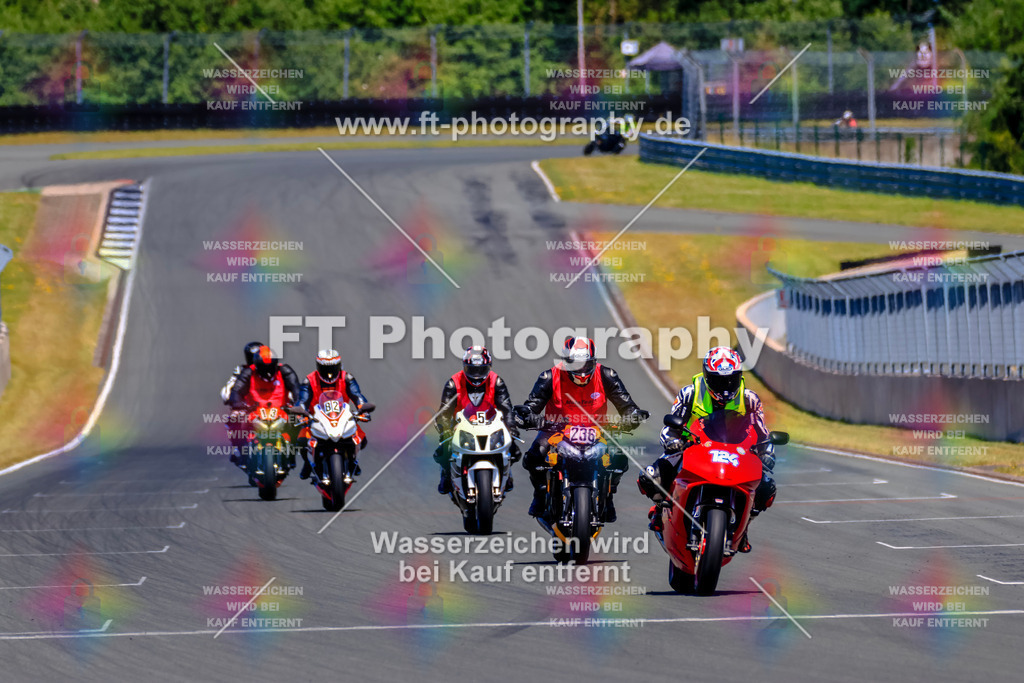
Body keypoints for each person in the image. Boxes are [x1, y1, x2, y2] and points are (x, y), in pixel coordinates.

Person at [637, 346, 776, 552]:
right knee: (651, 477)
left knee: (767, 488)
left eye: (731, 380)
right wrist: (673, 441)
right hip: (692, 450)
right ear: (707, 376)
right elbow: (669, 428)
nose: (726, 386)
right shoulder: (690, 393)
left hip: (736, 454)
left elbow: (763, 434)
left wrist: (767, 453)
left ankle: (744, 527)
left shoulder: (750, 399)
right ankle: (659, 511)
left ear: (739, 376)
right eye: (719, 381)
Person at [515, 337, 648, 523]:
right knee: (534, 456)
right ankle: (540, 493)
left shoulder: (607, 375)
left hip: (598, 429)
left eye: (586, 364)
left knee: (620, 457)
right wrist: (527, 415)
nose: (581, 370)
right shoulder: (550, 377)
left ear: (594, 362)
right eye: (575, 364)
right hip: (556, 429)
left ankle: (608, 496)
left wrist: (632, 416)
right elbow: (532, 405)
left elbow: (626, 403)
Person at [433, 346, 520, 494]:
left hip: (491, 424)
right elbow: (444, 411)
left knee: (515, 450)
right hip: (460, 426)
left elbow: (506, 408)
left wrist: (511, 428)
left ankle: (507, 473)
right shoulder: (453, 383)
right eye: (472, 370)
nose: (477, 375)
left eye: (481, 370)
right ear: (465, 367)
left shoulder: (496, 382)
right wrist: (446, 430)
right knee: (442, 451)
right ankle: (447, 475)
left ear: (489, 367)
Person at [297, 349, 372, 480]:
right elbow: (302, 400)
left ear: (338, 366)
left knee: (362, 440)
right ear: (318, 367)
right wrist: (301, 413)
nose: (329, 373)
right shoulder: (309, 380)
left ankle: (352, 461)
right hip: (317, 419)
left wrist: (362, 409)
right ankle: (308, 464)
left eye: (332, 367)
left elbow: (357, 396)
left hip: (343, 418)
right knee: (302, 441)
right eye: (325, 368)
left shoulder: (347, 378)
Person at [227, 345, 305, 471]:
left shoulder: (284, 371)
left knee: (299, 423)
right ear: (257, 365)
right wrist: (237, 404)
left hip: (281, 410)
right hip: (255, 411)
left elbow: (297, 388)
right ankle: (242, 453)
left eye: (270, 367)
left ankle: (291, 454)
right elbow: (236, 390)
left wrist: (298, 404)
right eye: (263, 368)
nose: (267, 371)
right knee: (236, 423)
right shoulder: (249, 372)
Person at [221, 341, 264, 465]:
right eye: (252, 357)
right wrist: (230, 398)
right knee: (234, 418)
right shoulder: (240, 370)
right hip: (246, 406)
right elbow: (229, 387)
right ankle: (238, 447)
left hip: (267, 405)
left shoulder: (271, 370)